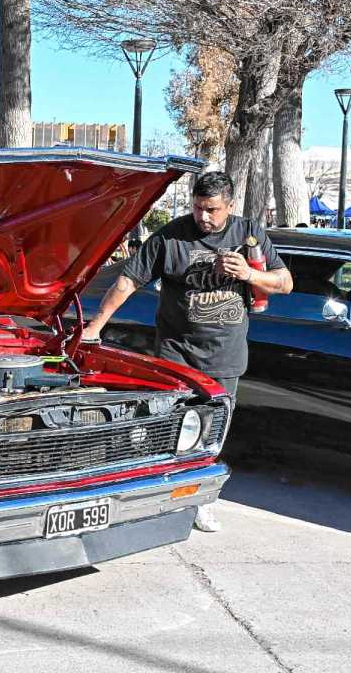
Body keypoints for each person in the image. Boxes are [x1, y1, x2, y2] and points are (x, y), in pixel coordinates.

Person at [81, 171, 293, 533]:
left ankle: (198, 501)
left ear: (229, 206)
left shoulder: (249, 234)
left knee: (212, 432)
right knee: (166, 426)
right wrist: (96, 326)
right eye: (197, 208)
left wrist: (248, 274)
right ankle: (154, 499)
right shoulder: (171, 237)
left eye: (212, 209)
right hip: (176, 352)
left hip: (225, 356)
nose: (203, 216)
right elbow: (128, 280)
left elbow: (284, 283)